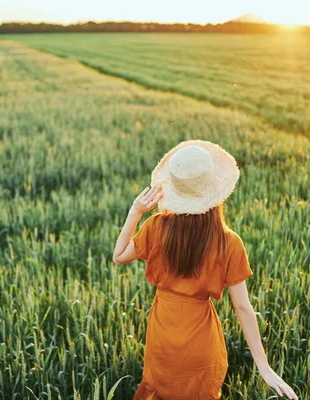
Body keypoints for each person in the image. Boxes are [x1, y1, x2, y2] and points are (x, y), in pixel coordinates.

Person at [113, 140, 298, 399]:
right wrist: (263, 366)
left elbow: (119, 256)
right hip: (201, 342)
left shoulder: (156, 228)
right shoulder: (229, 243)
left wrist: (135, 211)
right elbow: (243, 308)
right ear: (213, 190)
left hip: (162, 336)